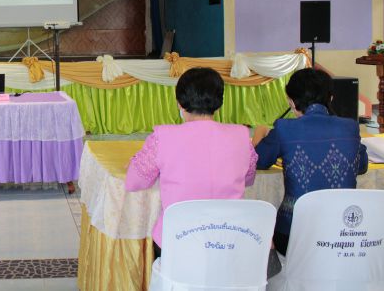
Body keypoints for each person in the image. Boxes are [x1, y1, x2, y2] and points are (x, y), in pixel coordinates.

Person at [125, 67, 258, 257]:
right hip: (229, 240)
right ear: (219, 103)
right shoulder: (241, 135)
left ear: (179, 103)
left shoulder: (163, 137)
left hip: (178, 240)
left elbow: (133, 182)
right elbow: (249, 179)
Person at [253, 68, 368, 256]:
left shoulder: (284, 128)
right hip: (342, 234)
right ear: (331, 98)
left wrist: (259, 133)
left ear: (291, 102)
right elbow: (362, 166)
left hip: (293, 235)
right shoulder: (350, 126)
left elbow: (259, 160)